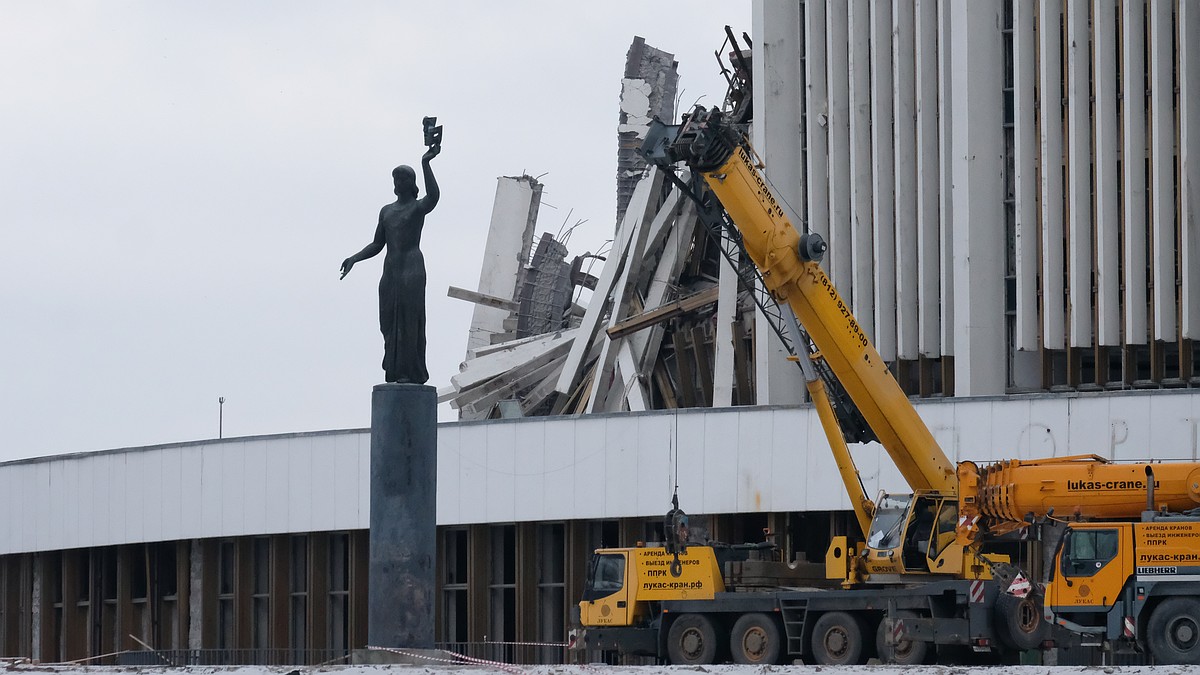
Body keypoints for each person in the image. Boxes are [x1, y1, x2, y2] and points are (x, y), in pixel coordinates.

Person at [340, 138, 441, 384]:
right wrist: (354, 258)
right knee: (388, 321)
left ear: (410, 183)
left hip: (412, 269)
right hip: (391, 271)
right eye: (395, 179)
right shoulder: (386, 211)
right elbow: (377, 244)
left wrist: (426, 163)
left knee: (409, 320)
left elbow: (434, 197)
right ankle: (394, 370)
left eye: (401, 179)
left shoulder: (418, 208)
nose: (397, 183)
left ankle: (411, 371)